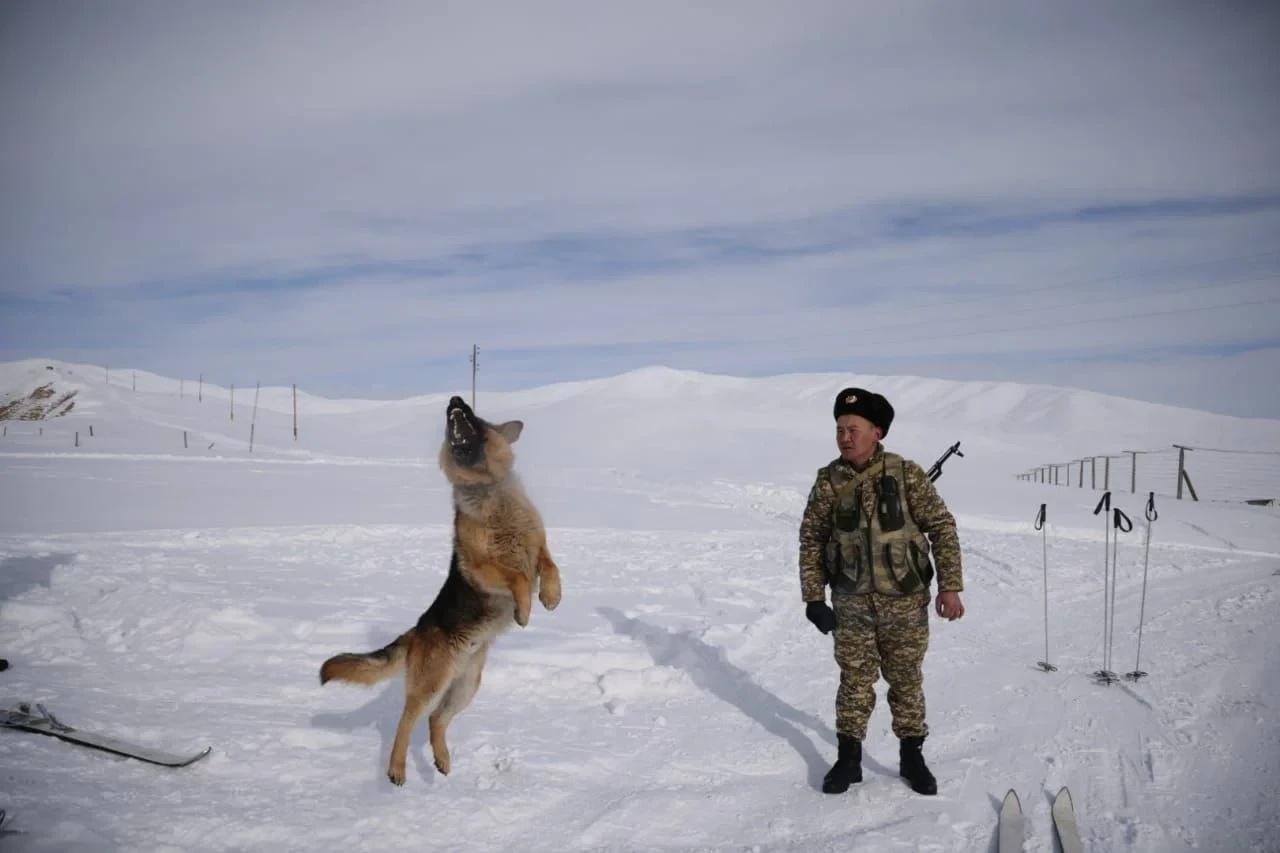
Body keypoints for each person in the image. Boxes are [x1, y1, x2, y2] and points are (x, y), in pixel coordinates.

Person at [797, 387, 965, 796]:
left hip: (904, 602)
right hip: (851, 603)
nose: (844, 437)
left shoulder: (906, 474)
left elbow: (942, 527)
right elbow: (812, 540)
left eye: (853, 429)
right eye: (839, 429)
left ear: (878, 432)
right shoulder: (828, 481)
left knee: (905, 680)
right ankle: (848, 760)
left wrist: (950, 586)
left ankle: (912, 757)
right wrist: (814, 598)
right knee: (854, 680)